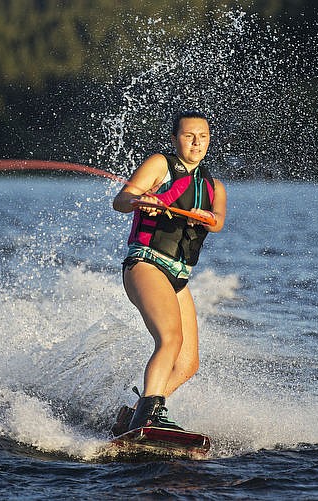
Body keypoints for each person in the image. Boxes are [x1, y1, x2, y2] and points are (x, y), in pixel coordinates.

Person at [111, 110, 227, 435]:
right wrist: (141, 201)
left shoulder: (214, 186)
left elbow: (217, 222)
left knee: (188, 365)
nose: (196, 142)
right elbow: (121, 200)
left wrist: (203, 216)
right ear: (175, 138)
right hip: (146, 263)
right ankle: (148, 414)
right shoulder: (161, 165)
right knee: (170, 339)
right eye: (189, 136)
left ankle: (134, 413)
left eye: (203, 137)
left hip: (178, 276)